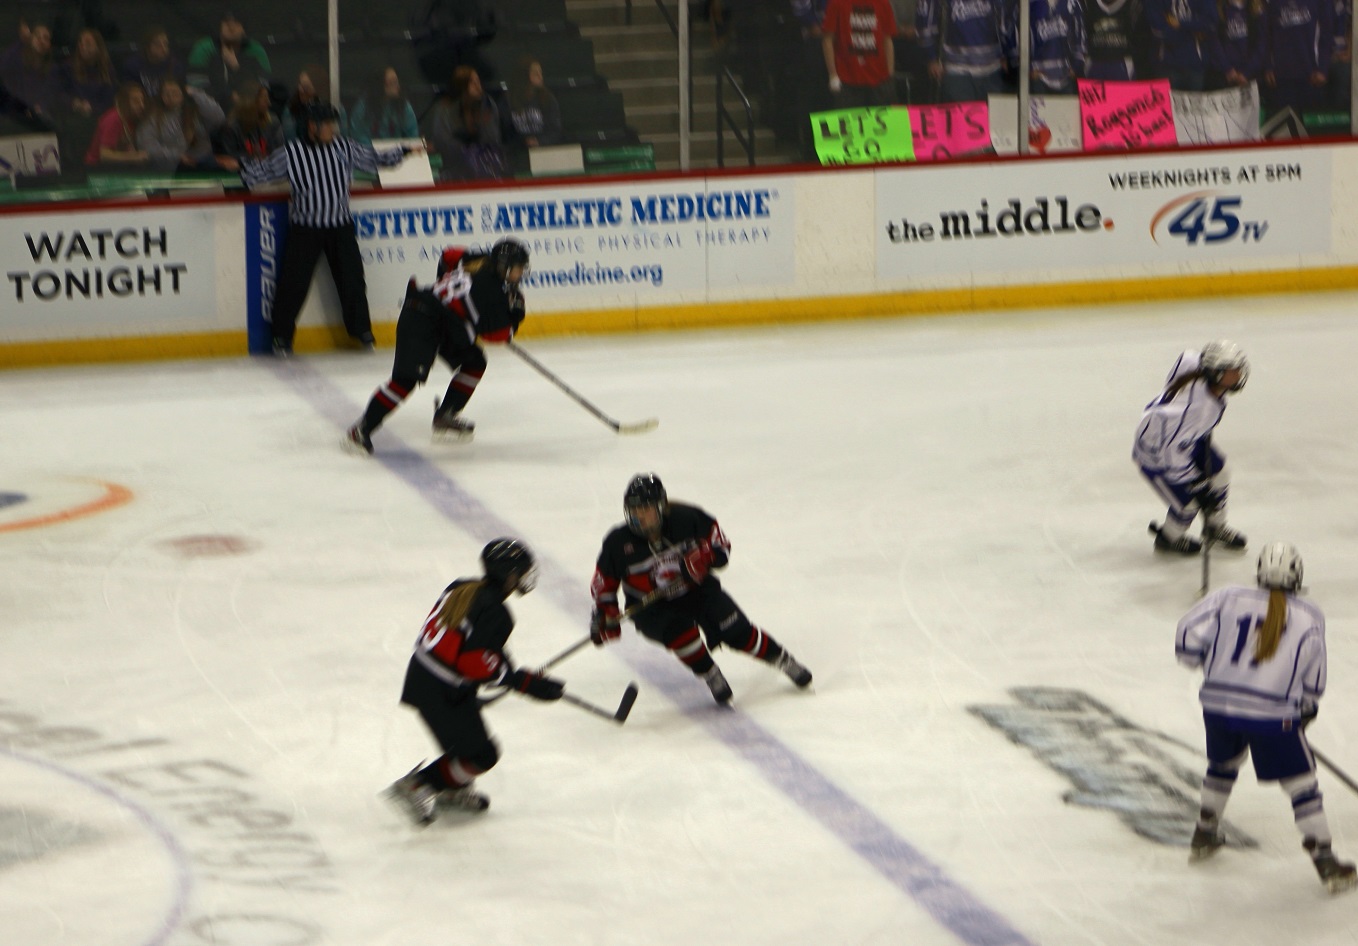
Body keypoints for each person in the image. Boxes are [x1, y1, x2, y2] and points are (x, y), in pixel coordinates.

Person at [1176, 542, 1357, 893]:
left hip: (1217, 706)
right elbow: (1314, 683)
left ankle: (1204, 833)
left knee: (1222, 766)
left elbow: (1186, 636)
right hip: (1271, 714)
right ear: (1297, 575)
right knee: (1301, 786)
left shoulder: (1227, 596)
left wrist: (1207, 665)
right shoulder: (1309, 615)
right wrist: (1305, 708)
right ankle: (1325, 861)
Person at [588, 474, 813, 706]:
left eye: (645, 509)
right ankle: (710, 673)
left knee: (736, 631)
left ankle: (781, 659)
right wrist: (606, 613)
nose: (639, 516)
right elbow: (603, 585)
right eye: (634, 510)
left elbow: (721, 547)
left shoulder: (687, 519)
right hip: (652, 607)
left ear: (661, 506)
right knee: (680, 633)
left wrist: (706, 557)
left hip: (696, 590)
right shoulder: (617, 543)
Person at [383, 538, 564, 825]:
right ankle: (418, 785)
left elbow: (471, 645)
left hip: (423, 677)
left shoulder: (462, 587)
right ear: (509, 576)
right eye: (521, 570)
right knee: (482, 754)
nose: (525, 576)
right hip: (443, 691)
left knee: (463, 748)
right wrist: (521, 682)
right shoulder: (497, 613)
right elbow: (473, 661)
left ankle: (452, 790)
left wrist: (510, 672)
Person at [239, 102, 414, 356]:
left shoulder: (344, 147)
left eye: (334, 124)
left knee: (352, 280)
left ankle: (361, 331)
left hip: (340, 226)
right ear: (312, 127)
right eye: (328, 124)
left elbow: (373, 159)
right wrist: (237, 168)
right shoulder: (292, 153)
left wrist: (403, 151)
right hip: (305, 228)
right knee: (293, 284)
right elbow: (261, 172)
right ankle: (281, 337)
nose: (334, 129)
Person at [344, 238, 530, 455]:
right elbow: (497, 335)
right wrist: (515, 316)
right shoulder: (492, 292)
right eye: (518, 268)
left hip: (441, 322)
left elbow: (448, 255)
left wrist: (444, 295)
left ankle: (446, 415)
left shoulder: (479, 259)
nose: (521, 273)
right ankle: (361, 430)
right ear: (504, 267)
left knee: (475, 361)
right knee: (405, 381)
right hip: (421, 321)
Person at [1133, 340, 1249, 555]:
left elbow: (1188, 356)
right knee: (1189, 506)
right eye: (1233, 370)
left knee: (1221, 474)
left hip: (1183, 438)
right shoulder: (1198, 411)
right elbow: (1170, 453)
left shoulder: (1195, 368)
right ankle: (1169, 538)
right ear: (1216, 374)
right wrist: (1198, 487)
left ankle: (1215, 527)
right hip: (1157, 455)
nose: (1239, 374)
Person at [916, 0, 1016, 103]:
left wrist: (1009, 53)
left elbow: (1008, 17)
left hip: (994, 69)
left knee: (995, 112)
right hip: (956, 71)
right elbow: (925, 19)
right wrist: (931, 58)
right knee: (961, 111)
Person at [427, 65, 506, 181]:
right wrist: (467, 152)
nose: (478, 87)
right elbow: (444, 142)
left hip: (486, 167)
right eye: (473, 83)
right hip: (455, 169)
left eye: (478, 82)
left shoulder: (487, 104)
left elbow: (493, 139)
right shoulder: (444, 109)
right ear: (462, 86)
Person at [186, 12, 270, 112]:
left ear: (243, 30)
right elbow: (196, 86)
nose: (231, 27)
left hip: (249, 109)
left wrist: (235, 66)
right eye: (226, 23)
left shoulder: (255, 50)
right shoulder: (203, 48)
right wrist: (229, 96)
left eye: (236, 23)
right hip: (211, 110)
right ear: (220, 27)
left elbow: (262, 86)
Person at [1261, 0, 1334, 115]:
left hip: (1312, 75)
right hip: (1280, 77)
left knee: (1310, 123)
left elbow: (1326, 33)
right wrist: (1268, 65)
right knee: (1284, 123)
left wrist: (1323, 68)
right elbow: (1266, 34)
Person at [821, 0, 898, 106]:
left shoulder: (882, 3)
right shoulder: (837, 3)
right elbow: (827, 40)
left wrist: (890, 75)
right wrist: (833, 75)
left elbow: (887, 40)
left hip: (880, 80)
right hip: (847, 81)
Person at [136, 77, 212, 171]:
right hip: (165, 169)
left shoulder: (192, 114)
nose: (171, 97)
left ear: (182, 94)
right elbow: (147, 146)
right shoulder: (153, 117)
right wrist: (176, 156)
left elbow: (217, 119)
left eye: (175, 93)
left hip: (194, 165)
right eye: (166, 93)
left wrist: (195, 93)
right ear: (161, 96)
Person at [216, 79, 283, 170]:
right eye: (264, 98)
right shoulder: (231, 128)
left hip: (270, 173)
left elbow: (279, 155)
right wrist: (252, 160)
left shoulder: (272, 123)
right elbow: (229, 160)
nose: (269, 103)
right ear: (250, 101)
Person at [349, 66, 420, 146]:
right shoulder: (362, 108)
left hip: (398, 150)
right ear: (379, 85)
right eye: (392, 82)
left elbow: (413, 135)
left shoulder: (403, 106)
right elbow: (358, 137)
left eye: (397, 81)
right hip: (370, 152)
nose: (397, 86)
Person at [84, 81, 148, 167]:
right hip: (96, 168)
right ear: (124, 102)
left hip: (117, 168)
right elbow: (105, 155)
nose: (142, 105)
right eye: (136, 101)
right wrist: (133, 157)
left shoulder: (130, 119)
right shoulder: (113, 119)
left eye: (142, 101)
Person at [282, 65, 348, 141]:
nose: (300, 90)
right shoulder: (292, 108)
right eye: (299, 85)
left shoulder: (335, 107)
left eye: (305, 87)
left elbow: (342, 136)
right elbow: (290, 138)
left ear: (318, 88)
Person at [505, 59, 561, 149]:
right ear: (524, 76)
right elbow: (505, 131)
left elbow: (555, 130)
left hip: (543, 150)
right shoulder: (509, 99)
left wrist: (540, 141)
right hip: (517, 151)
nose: (540, 76)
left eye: (540, 73)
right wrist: (521, 143)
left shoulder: (547, 99)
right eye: (535, 73)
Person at [121, 26, 184, 100]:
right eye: (158, 44)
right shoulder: (133, 65)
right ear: (147, 46)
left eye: (165, 44)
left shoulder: (174, 65)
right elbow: (128, 93)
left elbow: (181, 90)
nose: (163, 48)